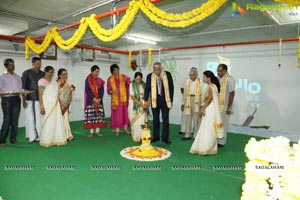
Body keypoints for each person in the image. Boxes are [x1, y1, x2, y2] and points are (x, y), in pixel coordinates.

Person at [190, 70, 224, 155]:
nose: (203, 79)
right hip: (212, 109)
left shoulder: (211, 87)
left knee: (208, 127)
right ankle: (209, 147)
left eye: (204, 77)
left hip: (209, 109)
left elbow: (209, 99)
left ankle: (206, 147)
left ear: (209, 78)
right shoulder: (214, 86)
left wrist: (202, 108)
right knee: (208, 126)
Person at [144, 62, 174, 144]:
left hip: (165, 100)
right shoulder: (149, 76)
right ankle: (156, 137)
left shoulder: (167, 75)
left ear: (161, 68)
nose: (157, 72)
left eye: (158, 70)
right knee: (155, 119)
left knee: (165, 119)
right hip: (155, 100)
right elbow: (147, 89)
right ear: (153, 69)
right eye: (155, 70)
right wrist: (145, 100)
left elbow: (171, 87)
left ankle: (165, 138)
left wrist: (171, 99)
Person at [38, 66, 67, 147]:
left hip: (55, 105)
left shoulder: (54, 82)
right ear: (45, 72)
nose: (52, 74)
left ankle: (56, 139)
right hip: (47, 105)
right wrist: (41, 106)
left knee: (56, 122)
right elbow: (40, 94)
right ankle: (47, 140)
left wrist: (61, 102)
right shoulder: (42, 81)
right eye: (50, 72)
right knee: (48, 122)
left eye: (53, 72)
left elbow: (56, 94)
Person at [21, 57, 45, 143]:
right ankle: (32, 136)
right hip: (30, 99)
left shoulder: (43, 74)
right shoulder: (26, 73)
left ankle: (39, 135)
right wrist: (23, 99)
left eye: (40, 63)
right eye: (37, 64)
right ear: (33, 64)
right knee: (30, 118)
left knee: (39, 118)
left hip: (40, 99)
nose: (39, 65)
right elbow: (23, 88)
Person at [0, 59, 22, 147]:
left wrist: (25, 93)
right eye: (10, 65)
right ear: (6, 66)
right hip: (7, 100)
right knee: (7, 120)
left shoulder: (18, 77)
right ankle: (2, 141)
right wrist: (3, 93)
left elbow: (20, 89)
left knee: (15, 120)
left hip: (17, 99)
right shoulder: (2, 76)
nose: (12, 66)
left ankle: (13, 139)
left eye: (13, 64)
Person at [181, 67, 205, 140]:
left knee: (196, 119)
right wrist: (182, 103)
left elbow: (203, 93)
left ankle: (196, 135)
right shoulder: (187, 81)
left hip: (197, 100)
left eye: (193, 75)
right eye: (190, 75)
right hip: (188, 100)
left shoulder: (200, 82)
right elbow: (184, 93)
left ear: (196, 74)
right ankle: (187, 134)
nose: (191, 77)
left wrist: (202, 105)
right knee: (188, 118)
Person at [107, 64, 130, 136]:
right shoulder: (110, 79)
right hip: (116, 101)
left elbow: (129, 83)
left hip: (124, 100)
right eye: (115, 70)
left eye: (117, 69)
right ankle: (117, 130)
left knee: (125, 114)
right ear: (112, 71)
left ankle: (126, 129)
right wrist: (113, 91)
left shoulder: (124, 77)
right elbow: (108, 90)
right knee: (117, 115)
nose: (116, 71)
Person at [84, 65, 106, 137]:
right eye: (96, 71)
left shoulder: (100, 80)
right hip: (91, 100)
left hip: (99, 101)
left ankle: (97, 131)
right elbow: (87, 90)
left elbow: (102, 91)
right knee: (91, 116)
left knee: (98, 116)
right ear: (92, 71)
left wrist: (99, 98)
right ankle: (91, 132)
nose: (97, 73)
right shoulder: (88, 80)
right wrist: (94, 98)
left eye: (98, 72)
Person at [217, 63, 236, 147]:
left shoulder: (230, 79)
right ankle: (217, 139)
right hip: (218, 106)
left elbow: (232, 93)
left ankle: (221, 142)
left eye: (220, 71)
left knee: (224, 124)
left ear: (225, 71)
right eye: (217, 71)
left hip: (225, 106)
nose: (218, 73)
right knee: (218, 124)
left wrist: (229, 107)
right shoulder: (218, 79)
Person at [57, 68, 76, 141]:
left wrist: (68, 102)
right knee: (59, 120)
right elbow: (55, 95)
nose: (65, 76)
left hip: (66, 104)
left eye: (66, 74)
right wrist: (61, 102)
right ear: (59, 75)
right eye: (64, 74)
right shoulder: (56, 83)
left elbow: (71, 93)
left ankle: (67, 135)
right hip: (58, 104)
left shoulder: (68, 84)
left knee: (66, 119)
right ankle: (60, 135)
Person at [128, 72, 146, 142]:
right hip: (133, 106)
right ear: (134, 78)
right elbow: (132, 97)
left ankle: (142, 136)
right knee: (135, 122)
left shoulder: (144, 85)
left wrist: (144, 96)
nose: (138, 81)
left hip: (142, 105)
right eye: (137, 79)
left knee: (142, 121)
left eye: (139, 79)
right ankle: (135, 136)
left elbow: (146, 94)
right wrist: (139, 103)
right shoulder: (131, 85)